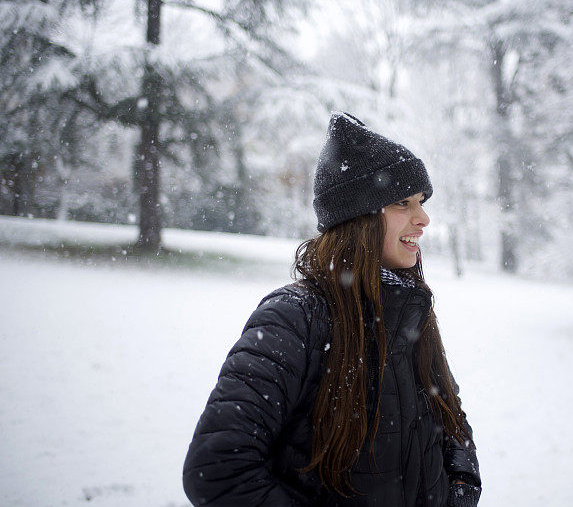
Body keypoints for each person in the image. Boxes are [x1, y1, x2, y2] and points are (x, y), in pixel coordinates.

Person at [182, 112, 482, 506]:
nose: (423, 218)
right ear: (358, 216)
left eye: (421, 202)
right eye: (402, 202)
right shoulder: (294, 318)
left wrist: (458, 493)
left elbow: (451, 422)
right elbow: (219, 468)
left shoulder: (412, 310)